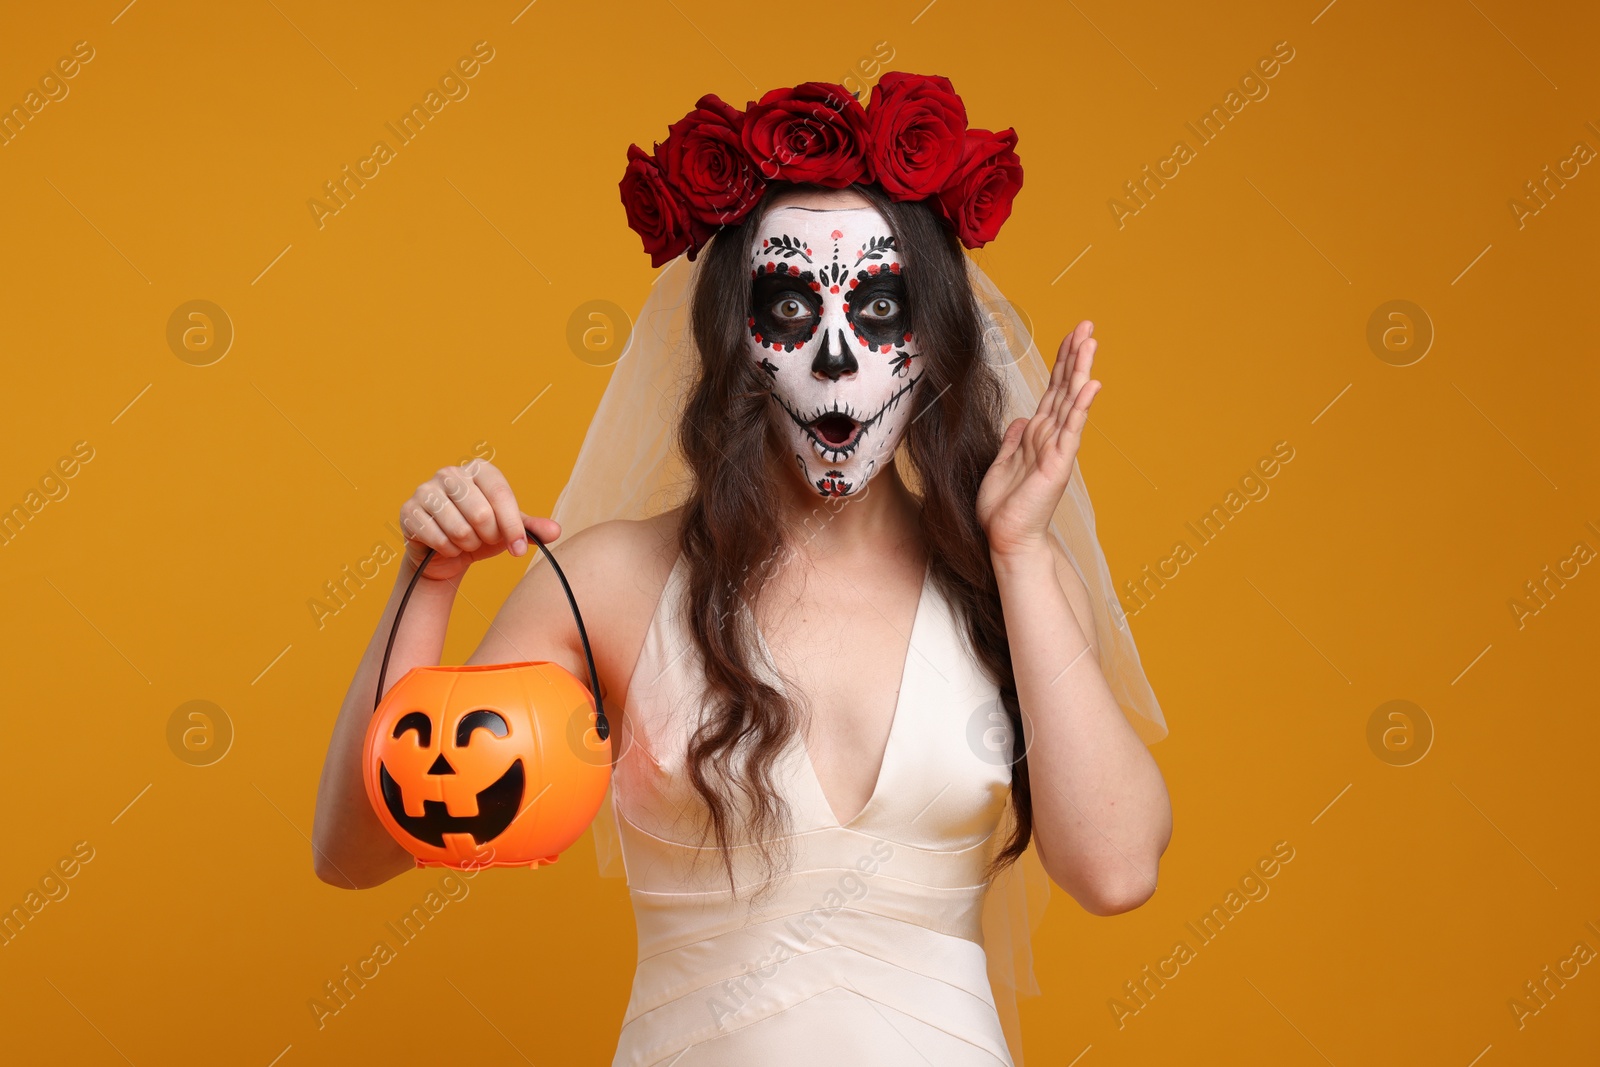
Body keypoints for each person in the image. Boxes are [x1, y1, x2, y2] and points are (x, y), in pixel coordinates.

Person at [312, 75, 1171, 1066]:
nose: (840, 356)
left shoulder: (1008, 577)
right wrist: (427, 582)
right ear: (732, 340)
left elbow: (1112, 869)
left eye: (882, 306)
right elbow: (360, 850)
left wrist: (1017, 551)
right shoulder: (613, 582)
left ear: (935, 343)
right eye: (793, 304)